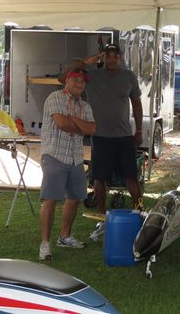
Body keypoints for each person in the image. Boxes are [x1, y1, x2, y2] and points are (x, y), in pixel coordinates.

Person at [63, 43, 144, 228]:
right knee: (100, 178)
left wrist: (139, 131)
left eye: (115, 56)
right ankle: (101, 216)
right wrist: (86, 62)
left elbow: (137, 104)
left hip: (124, 137)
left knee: (132, 177)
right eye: (108, 55)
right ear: (103, 58)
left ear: (120, 58)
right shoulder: (92, 76)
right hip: (100, 137)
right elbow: (65, 76)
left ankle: (140, 212)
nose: (112, 59)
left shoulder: (129, 77)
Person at [39, 68, 96, 261]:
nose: (79, 84)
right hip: (54, 154)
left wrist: (73, 119)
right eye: (76, 80)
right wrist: (80, 125)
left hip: (76, 157)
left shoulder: (85, 106)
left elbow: (92, 129)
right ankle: (45, 244)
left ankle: (65, 237)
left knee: (74, 198)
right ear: (67, 81)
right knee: (50, 199)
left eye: (82, 82)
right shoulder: (55, 97)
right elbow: (62, 124)